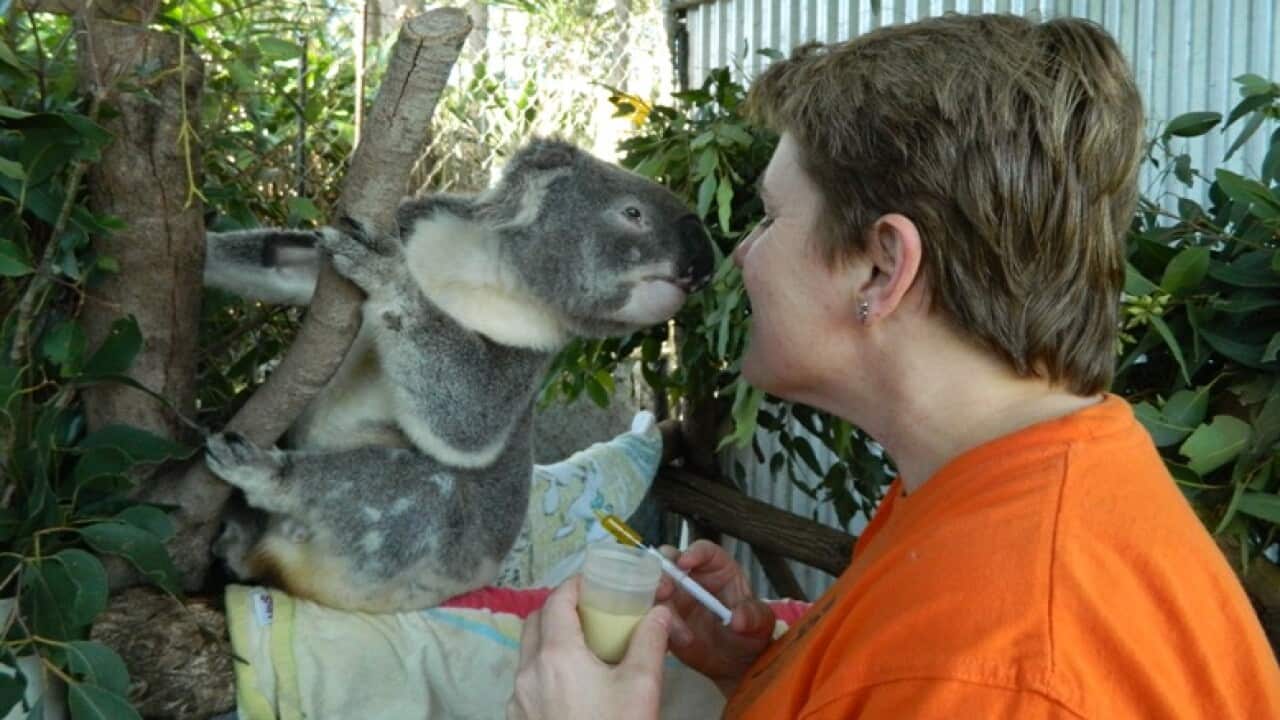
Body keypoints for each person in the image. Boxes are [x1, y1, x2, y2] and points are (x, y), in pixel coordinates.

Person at [506, 13, 1280, 719]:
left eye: (772, 218)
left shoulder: (995, 667)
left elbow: (936, 681)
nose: (743, 255)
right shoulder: (994, 489)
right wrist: (768, 672)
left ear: (881, 269)